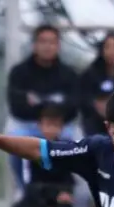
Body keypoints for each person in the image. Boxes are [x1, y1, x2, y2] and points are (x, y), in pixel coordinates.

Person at [6, 24, 79, 190]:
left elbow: (74, 107)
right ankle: (25, 191)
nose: (47, 46)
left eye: (52, 42)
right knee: (14, 143)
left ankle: (67, 192)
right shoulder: (19, 72)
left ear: (58, 45)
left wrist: (46, 112)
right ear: (34, 44)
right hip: (28, 125)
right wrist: (48, 110)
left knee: (79, 147)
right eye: (43, 41)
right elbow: (16, 106)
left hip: (61, 125)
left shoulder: (69, 74)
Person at [8, 105, 75, 207]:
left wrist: (66, 192)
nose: (51, 129)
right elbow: (28, 179)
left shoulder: (67, 149)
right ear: (40, 126)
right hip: (38, 193)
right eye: (48, 125)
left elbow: (69, 176)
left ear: (61, 127)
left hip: (58, 194)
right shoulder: (32, 148)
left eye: (55, 125)